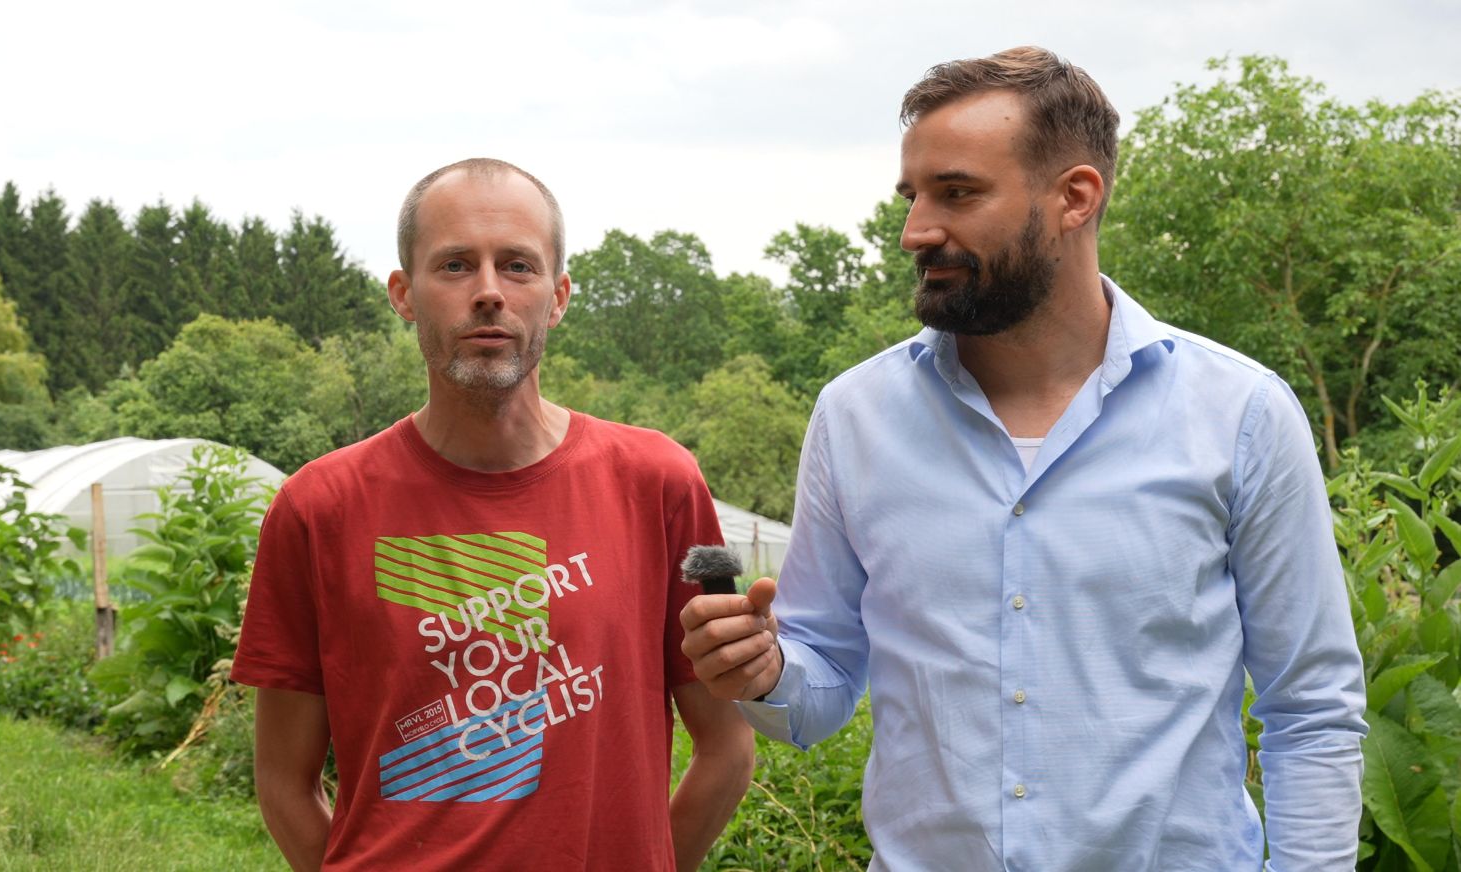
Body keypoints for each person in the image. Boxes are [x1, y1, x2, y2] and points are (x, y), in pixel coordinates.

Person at [681, 47, 1366, 871]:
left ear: (1074, 197)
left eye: (958, 193)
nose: (915, 231)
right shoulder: (854, 418)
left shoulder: (1240, 414)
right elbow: (818, 695)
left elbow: (1313, 710)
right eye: (912, 197)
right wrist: (763, 674)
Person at [232, 157, 755, 871]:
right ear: (403, 294)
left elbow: (727, 746)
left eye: (517, 266)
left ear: (559, 295)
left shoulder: (660, 483)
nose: (488, 293)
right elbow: (282, 784)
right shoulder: (318, 508)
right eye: (453, 266)